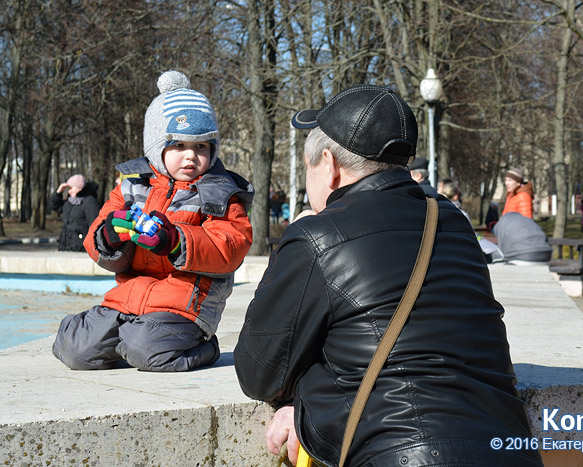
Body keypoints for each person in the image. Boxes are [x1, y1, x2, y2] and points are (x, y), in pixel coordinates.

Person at [234, 84, 542, 467]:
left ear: (328, 165)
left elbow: (258, 373)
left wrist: (283, 258)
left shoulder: (318, 236)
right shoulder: (452, 222)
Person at [52, 70, 254, 372]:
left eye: (201, 146)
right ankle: (122, 335)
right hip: (128, 297)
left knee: (146, 350)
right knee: (75, 349)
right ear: (156, 147)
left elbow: (231, 246)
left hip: (184, 304)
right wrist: (109, 236)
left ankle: (205, 348)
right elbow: (100, 230)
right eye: (178, 146)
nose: (191, 156)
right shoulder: (132, 185)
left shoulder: (220, 191)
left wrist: (176, 240)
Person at [49, 174, 100, 252]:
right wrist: (58, 192)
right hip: (65, 246)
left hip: (81, 248)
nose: (69, 191)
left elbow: (95, 225)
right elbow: (55, 206)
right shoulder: (69, 202)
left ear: (79, 188)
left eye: (71, 188)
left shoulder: (89, 201)